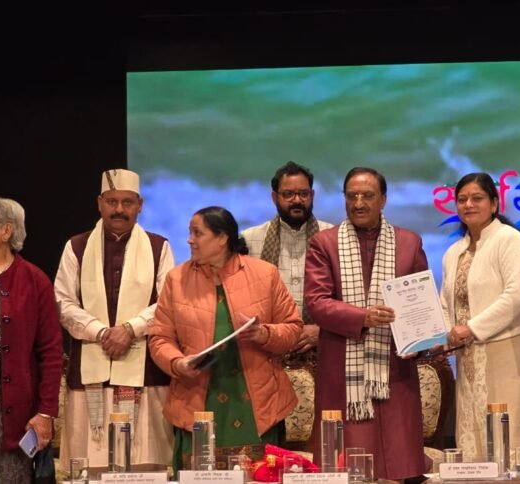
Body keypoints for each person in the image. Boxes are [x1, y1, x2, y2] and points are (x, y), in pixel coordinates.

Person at [149, 206, 302, 471]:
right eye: (189, 233)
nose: (190, 240)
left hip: (256, 402)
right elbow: (160, 338)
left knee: (258, 474)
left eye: (197, 233)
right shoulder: (176, 279)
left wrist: (265, 334)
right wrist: (177, 363)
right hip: (196, 398)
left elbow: (293, 328)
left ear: (222, 238)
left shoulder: (265, 274)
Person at [305, 167, 428, 480]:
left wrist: (420, 341)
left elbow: (421, 304)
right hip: (342, 368)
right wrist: (363, 317)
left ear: (383, 200)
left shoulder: (409, 243)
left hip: (395, 369)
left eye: (367, 196)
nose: (358, 203)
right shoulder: (324, 243)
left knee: (399, 461)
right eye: (352, 196)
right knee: (344, 466)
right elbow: (317, 302)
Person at [55, 168, 175, 470]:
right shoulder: (76, 246)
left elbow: (168, 303)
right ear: (99, 203)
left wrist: (130, 329)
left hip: (146, 374)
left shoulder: (159, 247)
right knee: (89, 465)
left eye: (127, 202)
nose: (119, 209)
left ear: (139, 205)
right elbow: (63, 302)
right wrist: (101, 332)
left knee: (145, 465)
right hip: (90, 373)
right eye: (112, 201)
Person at [439, 172, 520, 461]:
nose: (468, 204)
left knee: (508, 445)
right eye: (462, 199)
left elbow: (517, 296)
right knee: (473, 446)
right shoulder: (453, 252)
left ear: (494, 204)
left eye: (477, 198)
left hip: (507, 355)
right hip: (467, 358)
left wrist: (470, 329)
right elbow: (445, 303)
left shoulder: (510, 240)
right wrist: (445, 333)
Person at [0, 196, 62, 482]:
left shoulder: (34, 281)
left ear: (6, 230)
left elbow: (50, 352)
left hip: (12, 414)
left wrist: (46, 413)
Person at [241, 161, 333, 359]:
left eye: (303, 193)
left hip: (323, 353)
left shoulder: (333, 237)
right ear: (275, 197)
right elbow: (240, 300)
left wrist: (324, 331)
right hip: (266, 352)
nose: (297, 200)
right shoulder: (250, 239)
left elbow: (349, 299)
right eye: (288, 194)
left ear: (312, 195)